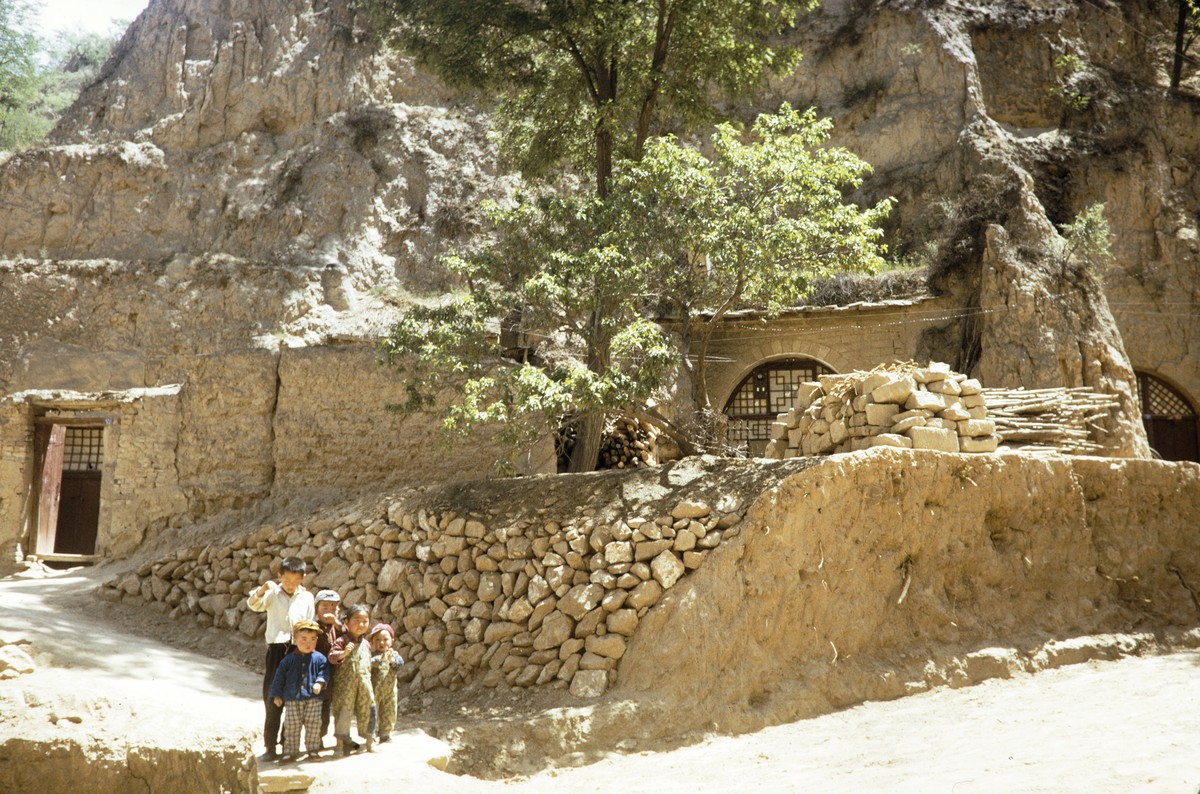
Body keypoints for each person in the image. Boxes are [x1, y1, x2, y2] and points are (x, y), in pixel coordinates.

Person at [247, 556, 315, 761]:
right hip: (277, 650)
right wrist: (261, 590)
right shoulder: (272, 594)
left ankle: (289, 745)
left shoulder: (307, 597)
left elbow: (310, 622)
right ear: (279, 576)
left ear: (303, 578)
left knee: (294, 698)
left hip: (298, 650)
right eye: (287, 581)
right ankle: (270, 747)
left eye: (296, 581)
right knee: (272, 696)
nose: (291, 585)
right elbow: (253, 604)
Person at [268, 619, 330, 761]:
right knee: (292, 726)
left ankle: (313, 750)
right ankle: (290, 751)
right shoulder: (288, 660)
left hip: (313, 699)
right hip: (292, 699)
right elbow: (279, 678)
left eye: (313, 639)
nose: (308, 643)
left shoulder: (320, 659)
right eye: (304, 639)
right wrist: (277, 694)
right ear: (295, 639)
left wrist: (320, 683)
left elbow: (324, 673)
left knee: (314, 725)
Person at [328, 603, 376, 756]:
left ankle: (369, 742)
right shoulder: (341, 641)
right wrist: (343, 654)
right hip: (345, 686)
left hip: (364, 685)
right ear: (347, 623)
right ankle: (340, 745)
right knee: (343, 712)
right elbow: (332, 657)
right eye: (356, 620)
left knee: (368, 709)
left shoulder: (366, 643)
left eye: (365, 621)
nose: (361, 624)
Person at [313, 589, 342, 744]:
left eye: (333, 608)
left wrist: (336, 623)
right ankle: (315, 739)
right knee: (317, 711)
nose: (329, 612)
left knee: (329, 710)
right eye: (325, 608)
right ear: (317, 610)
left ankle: (322, 737)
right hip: (317, 675)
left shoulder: (338, 628)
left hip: (334, 677)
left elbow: (348, 634)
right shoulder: (314, 628)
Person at [367, 623, 404, 743]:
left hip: (390, 691)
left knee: (389, 712)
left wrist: (392, 660)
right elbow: (369, 664)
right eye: (377, 640)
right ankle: (371, 734)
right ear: (372, 642)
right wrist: (380, 659)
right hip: (374, 691)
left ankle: (385, 734)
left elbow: (400, 664)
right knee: (372, 713)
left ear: (392, 641)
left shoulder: (394, 655)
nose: (381, 643)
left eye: (385, 639)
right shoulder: (371, 656)